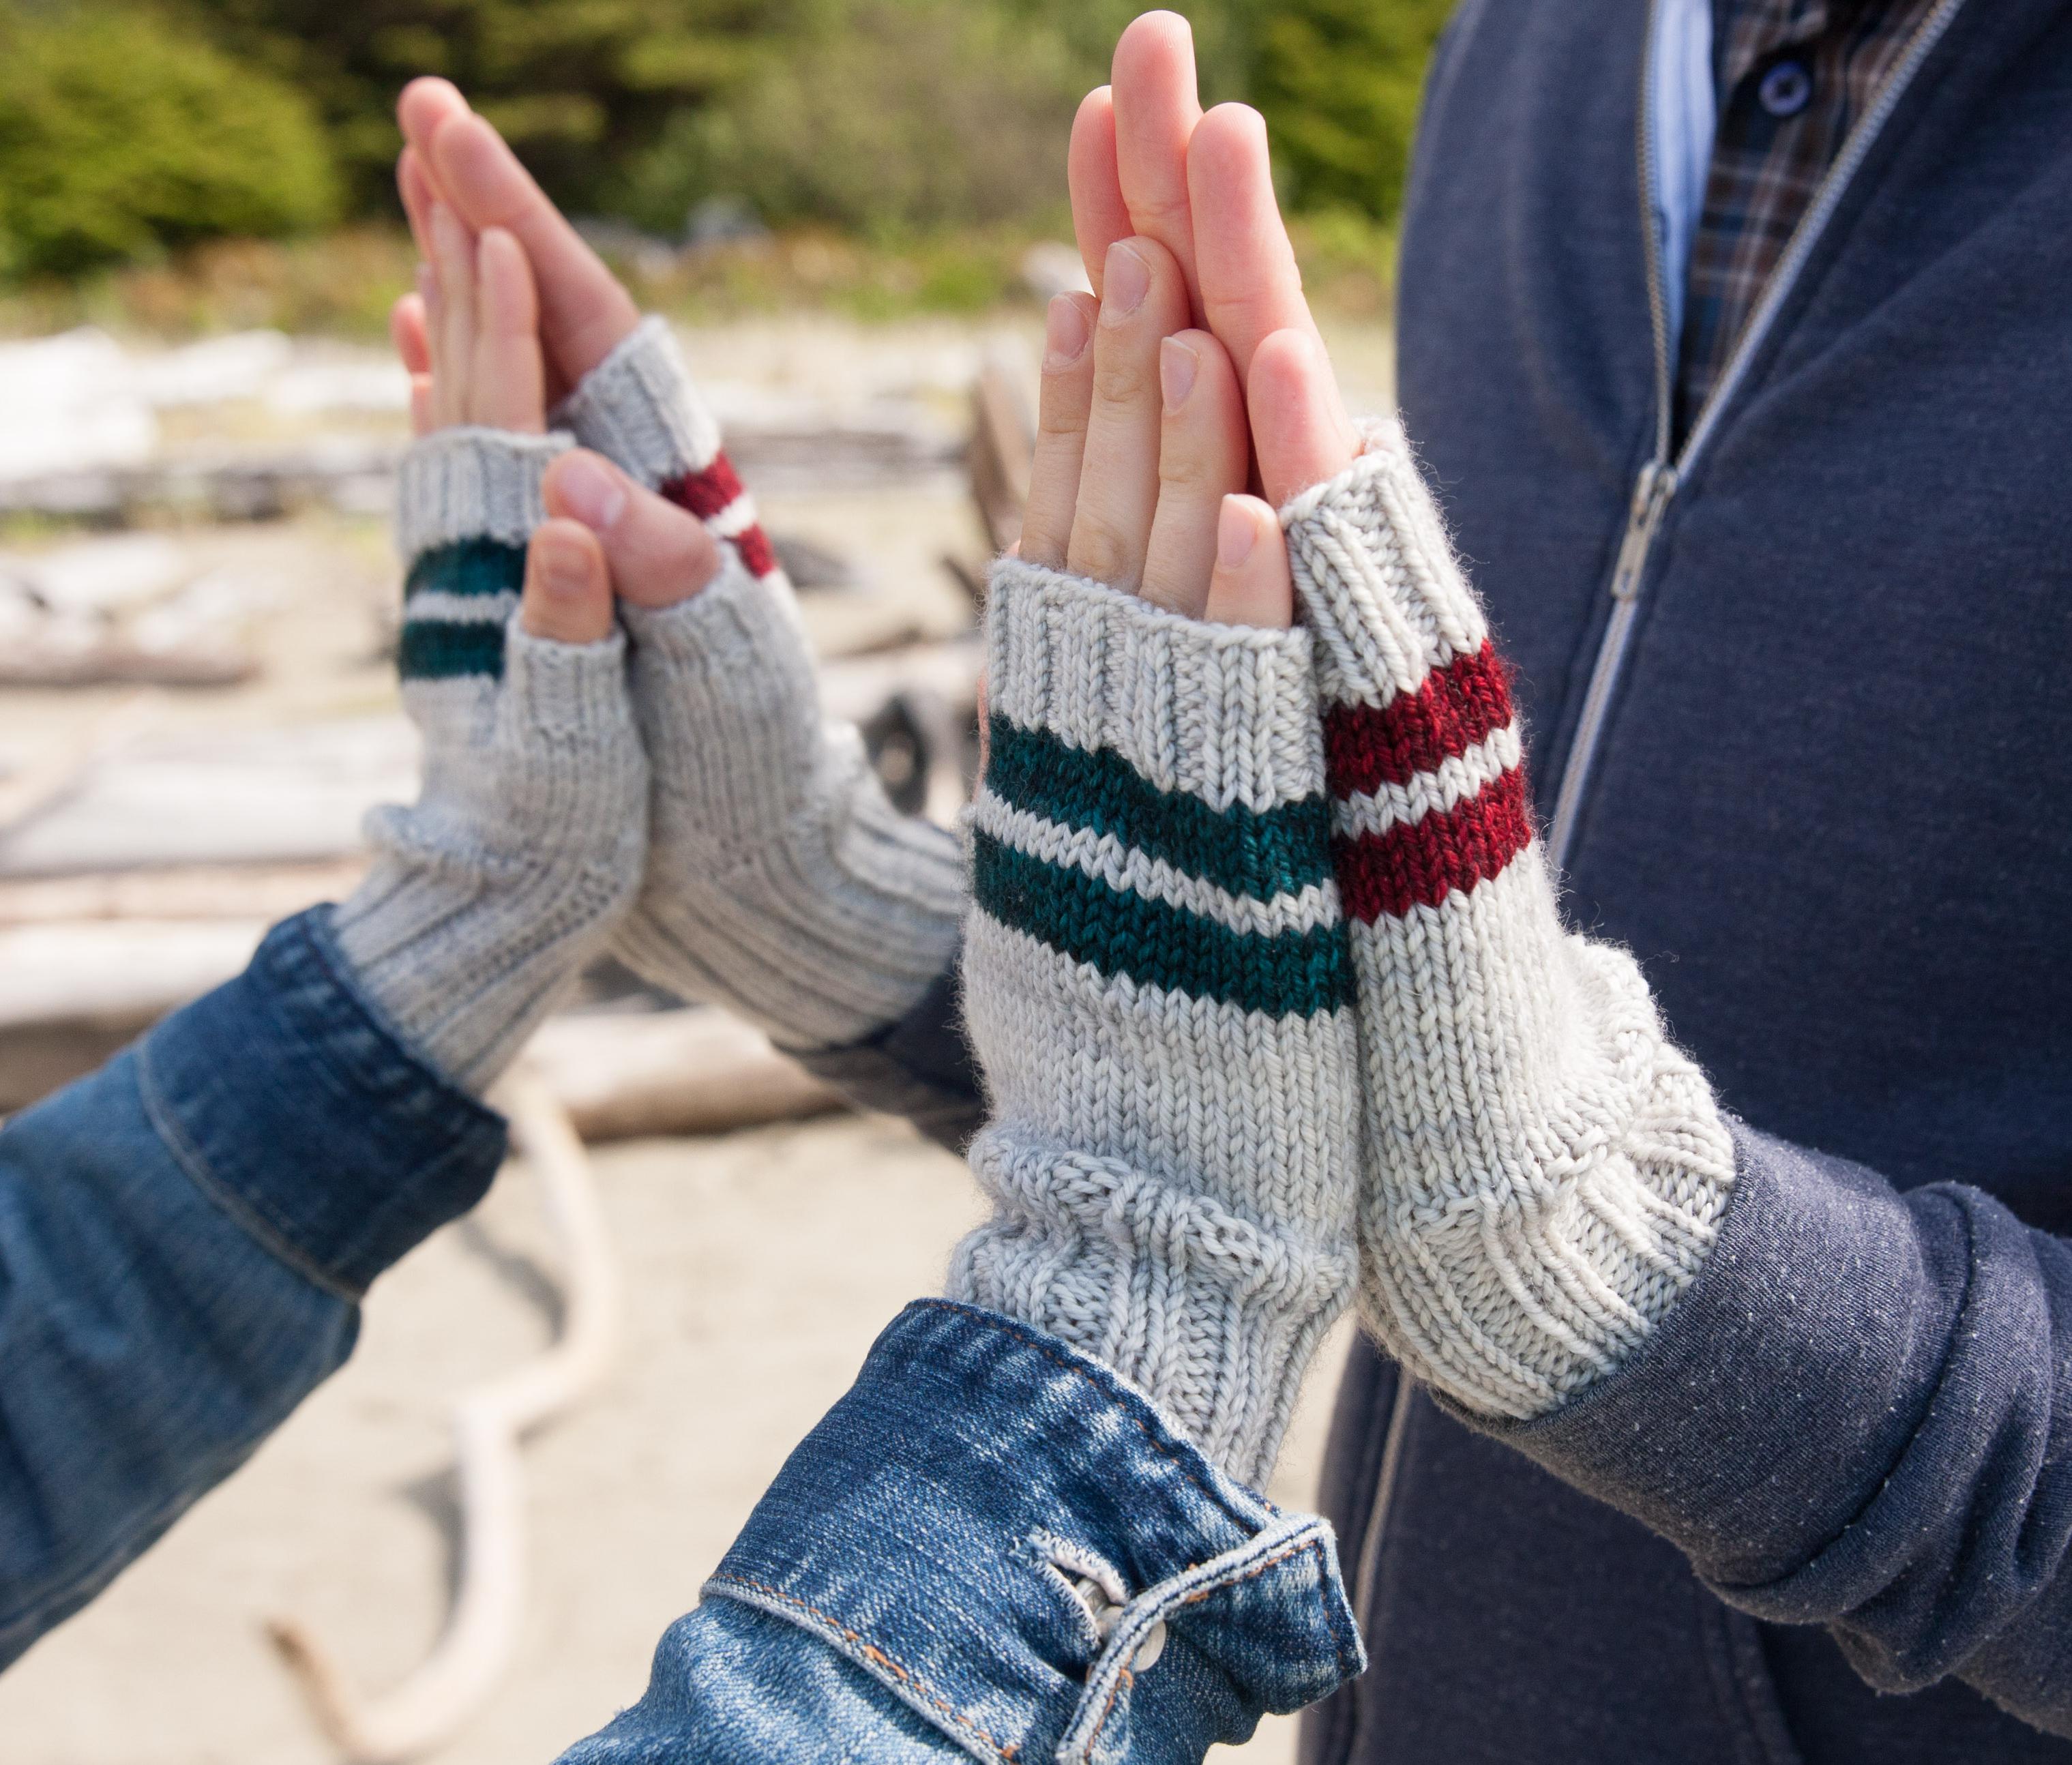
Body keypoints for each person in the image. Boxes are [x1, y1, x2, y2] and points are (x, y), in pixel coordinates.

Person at [393, 6, 2072, 1761]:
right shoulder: (1531, 44)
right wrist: (822, 913)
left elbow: (1490, 1156)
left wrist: (1638, 1272)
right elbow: (1401, 1066)